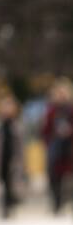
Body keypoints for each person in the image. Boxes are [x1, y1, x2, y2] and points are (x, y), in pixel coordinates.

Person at [41, 77, 73, 214]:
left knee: (69, 177)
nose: (61, 95)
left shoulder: (71, 110)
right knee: (55, 177)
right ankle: (57, 203)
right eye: (58, 93)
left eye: (63, 92)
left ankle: (67, 200)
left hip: (70, 147)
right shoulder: (51, 111)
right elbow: (45, 130)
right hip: (55, 148)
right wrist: (49, 141)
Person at [0, 93, 25, 219]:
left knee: (12, 183)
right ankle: (5, 207)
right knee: (4, 183)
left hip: (13, 159)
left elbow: (21, 146)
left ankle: (9, 206)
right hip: (0, 158)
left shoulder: (17, 124)